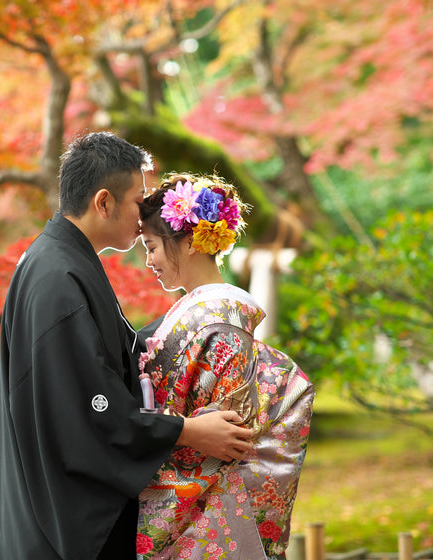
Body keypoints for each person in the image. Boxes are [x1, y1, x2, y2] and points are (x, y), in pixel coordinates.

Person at [0, 132, 255, 560]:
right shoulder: (57, 278)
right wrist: (190, 431)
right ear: (104, 202)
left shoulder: (60, 261)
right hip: (58, 529)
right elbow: (88, 409)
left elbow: (121, 355)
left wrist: (193, 315)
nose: (143, 212)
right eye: (137, 199)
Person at [135, 172, 315, 560]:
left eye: (152, 247)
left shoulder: (215, 319)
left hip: (202, 511)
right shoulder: (205, 312)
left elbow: (217, 437)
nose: (149, 260)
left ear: (188, 243)